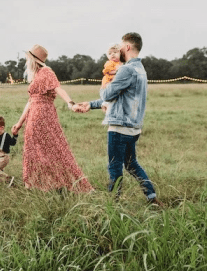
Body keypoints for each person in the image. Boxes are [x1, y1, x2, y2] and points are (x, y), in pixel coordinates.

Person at [76, 33, 163, 206]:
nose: (120, 49)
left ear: (128, 47)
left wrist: (104, 84)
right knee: (131, 165)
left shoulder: (126, 69)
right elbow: (119, 97)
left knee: (115, 167)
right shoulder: (140, 69)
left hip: (119, 126)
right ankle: (152, 198)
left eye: (121, 46)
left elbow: (108, 94)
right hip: (133, 127)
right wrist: (91, 105)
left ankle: (112, 205)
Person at [11, 44, 94, 193]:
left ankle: (57, 182)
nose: (25, 62)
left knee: (54, 149)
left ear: (33, 60)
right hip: (33, 116)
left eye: (27, 58)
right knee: (33, 149)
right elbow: (30, 101)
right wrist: (19, 123)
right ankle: (36, 184)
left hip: (43, 115)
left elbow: (58, 88)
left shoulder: (46, 71)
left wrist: (71, 103)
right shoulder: (35, 76)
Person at [101, 44, 123, 113]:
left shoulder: (121, 63)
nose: (112, 54)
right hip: (108, 81)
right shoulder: (109, 63)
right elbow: (107, 71)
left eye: (115, 52)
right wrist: (118, 71)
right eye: (110, 53)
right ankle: (106, 103)